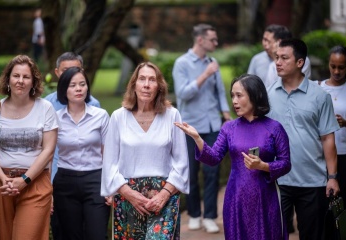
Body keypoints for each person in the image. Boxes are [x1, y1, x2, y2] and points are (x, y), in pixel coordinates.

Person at [175, 74, 291, 239]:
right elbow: (213, 158)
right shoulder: (229, 128)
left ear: (255, 95)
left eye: (239, 95)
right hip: (236, 198)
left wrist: (263, 166)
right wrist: (197, 138)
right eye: (232, 96)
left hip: (265, 198)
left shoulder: (274, 128)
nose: (234, 101)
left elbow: (286, 163)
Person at [101, 62, 189, 239]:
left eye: (152, 80)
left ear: (159, 87)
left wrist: (164, 194)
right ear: (134, 85)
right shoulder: (119, 117)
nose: (146, 84)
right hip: (127, 195)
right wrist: (129, 193)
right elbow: (109, 163)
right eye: (142, 79)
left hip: (164, 195)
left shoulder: (172, 115)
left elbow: (181, 162)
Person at [0, 55, 59, 240]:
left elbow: (48, 150)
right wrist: (2, 178)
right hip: (0, 183)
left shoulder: (45, 108)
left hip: (35, 183)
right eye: (16, 76)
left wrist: (24, 179)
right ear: (8, 79)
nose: (20, 81)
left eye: (26, 77)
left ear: (34, 82)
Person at [267, 38, 340, 240]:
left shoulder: (320, 96)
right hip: (277, 180)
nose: (278, 62)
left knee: (312, 236)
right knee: (275, 234)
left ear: (300, 62)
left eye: (284, 58)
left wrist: (332, 177)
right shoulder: (269, 94)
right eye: (276, 58)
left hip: (312, 181)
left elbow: (328, 138)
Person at [172, 23, 231, 233]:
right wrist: (205, 74)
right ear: (200, 40)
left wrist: (226, 115)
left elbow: (220, 92)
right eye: (212, 39)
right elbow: (183, 94)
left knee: (212, 172)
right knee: (191, 172)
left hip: (213, 125)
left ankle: (210, 216)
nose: (216, 43)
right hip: (189, 126)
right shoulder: (182, 63)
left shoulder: (213, 62)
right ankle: (195, 214)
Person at [44, 52, 101, 240]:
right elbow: (46, 152)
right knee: (65, 232)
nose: (73, 79)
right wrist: (48, 187)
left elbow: (104, 148)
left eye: (76, 71)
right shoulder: (47, 106)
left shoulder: (95, 107)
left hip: (92, 177)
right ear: (57, 73)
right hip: (60, 178)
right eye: (66, 71)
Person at [53, 67, 110, 239]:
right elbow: (47, 155)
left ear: (87, 88)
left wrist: (110, 187)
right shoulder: (55, 118)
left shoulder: (101, 116)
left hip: (95, 181)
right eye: (72, 85)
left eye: (82, 84)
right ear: (64, 89)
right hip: (65, 182)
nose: (78, 89)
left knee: (97, 235)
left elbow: (108, 154)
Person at [319, 45, 346, 228]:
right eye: (333, 66)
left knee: (344, 205)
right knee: (323, 207)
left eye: (341, 67)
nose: (337, 71)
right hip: (321, 156)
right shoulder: (318, 88)